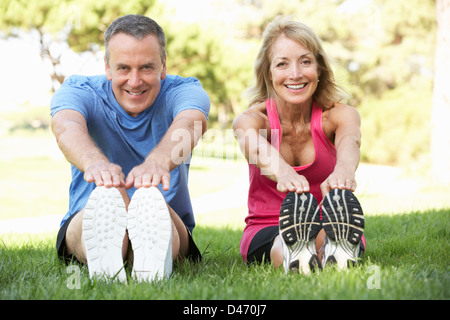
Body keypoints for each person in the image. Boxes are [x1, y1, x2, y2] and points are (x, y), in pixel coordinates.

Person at [51, 14, 210, 282]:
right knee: (108, 197)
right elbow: (66, 125)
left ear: (163, 66)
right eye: (124, 68)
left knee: (149, 199)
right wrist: (94, 163)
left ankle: (146, 254)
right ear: (107, 67)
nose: (135, 81)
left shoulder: (185, 90)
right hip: (86, 217)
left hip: (168, 221)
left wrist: (157, 162)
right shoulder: (79, 90)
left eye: (146, 68)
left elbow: (191, 122)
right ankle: (107, 247)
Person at [233, 16, 365, 275]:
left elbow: (351, 141)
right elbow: (255, 147)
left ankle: (331, 246)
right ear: (268, 74)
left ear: (319, 68)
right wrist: (283, 172)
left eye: (305, 61)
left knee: (324, 233)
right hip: (266, 226)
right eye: (282, 64)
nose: (295, 74)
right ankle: (299, 250)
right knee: (280, 242)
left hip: (328, 220)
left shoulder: (340, 115)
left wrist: (344, 172)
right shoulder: (251, 121)